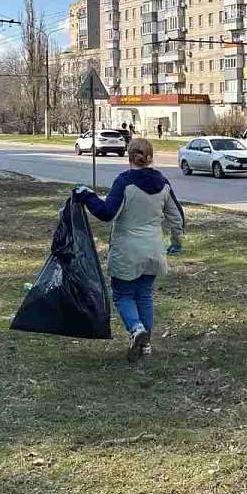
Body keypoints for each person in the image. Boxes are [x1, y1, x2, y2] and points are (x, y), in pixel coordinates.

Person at [73, 138, 185, 363]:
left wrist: (87, 195)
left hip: (127, 251)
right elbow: (177, 217)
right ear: (150, 157)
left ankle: (136, 329)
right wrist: (176, 241)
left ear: (129, 156)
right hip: (154, 250)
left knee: (123, 295)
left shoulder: (124, 182)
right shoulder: (163, 183)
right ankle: (146, 345)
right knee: (144, 295)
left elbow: (107, 213)